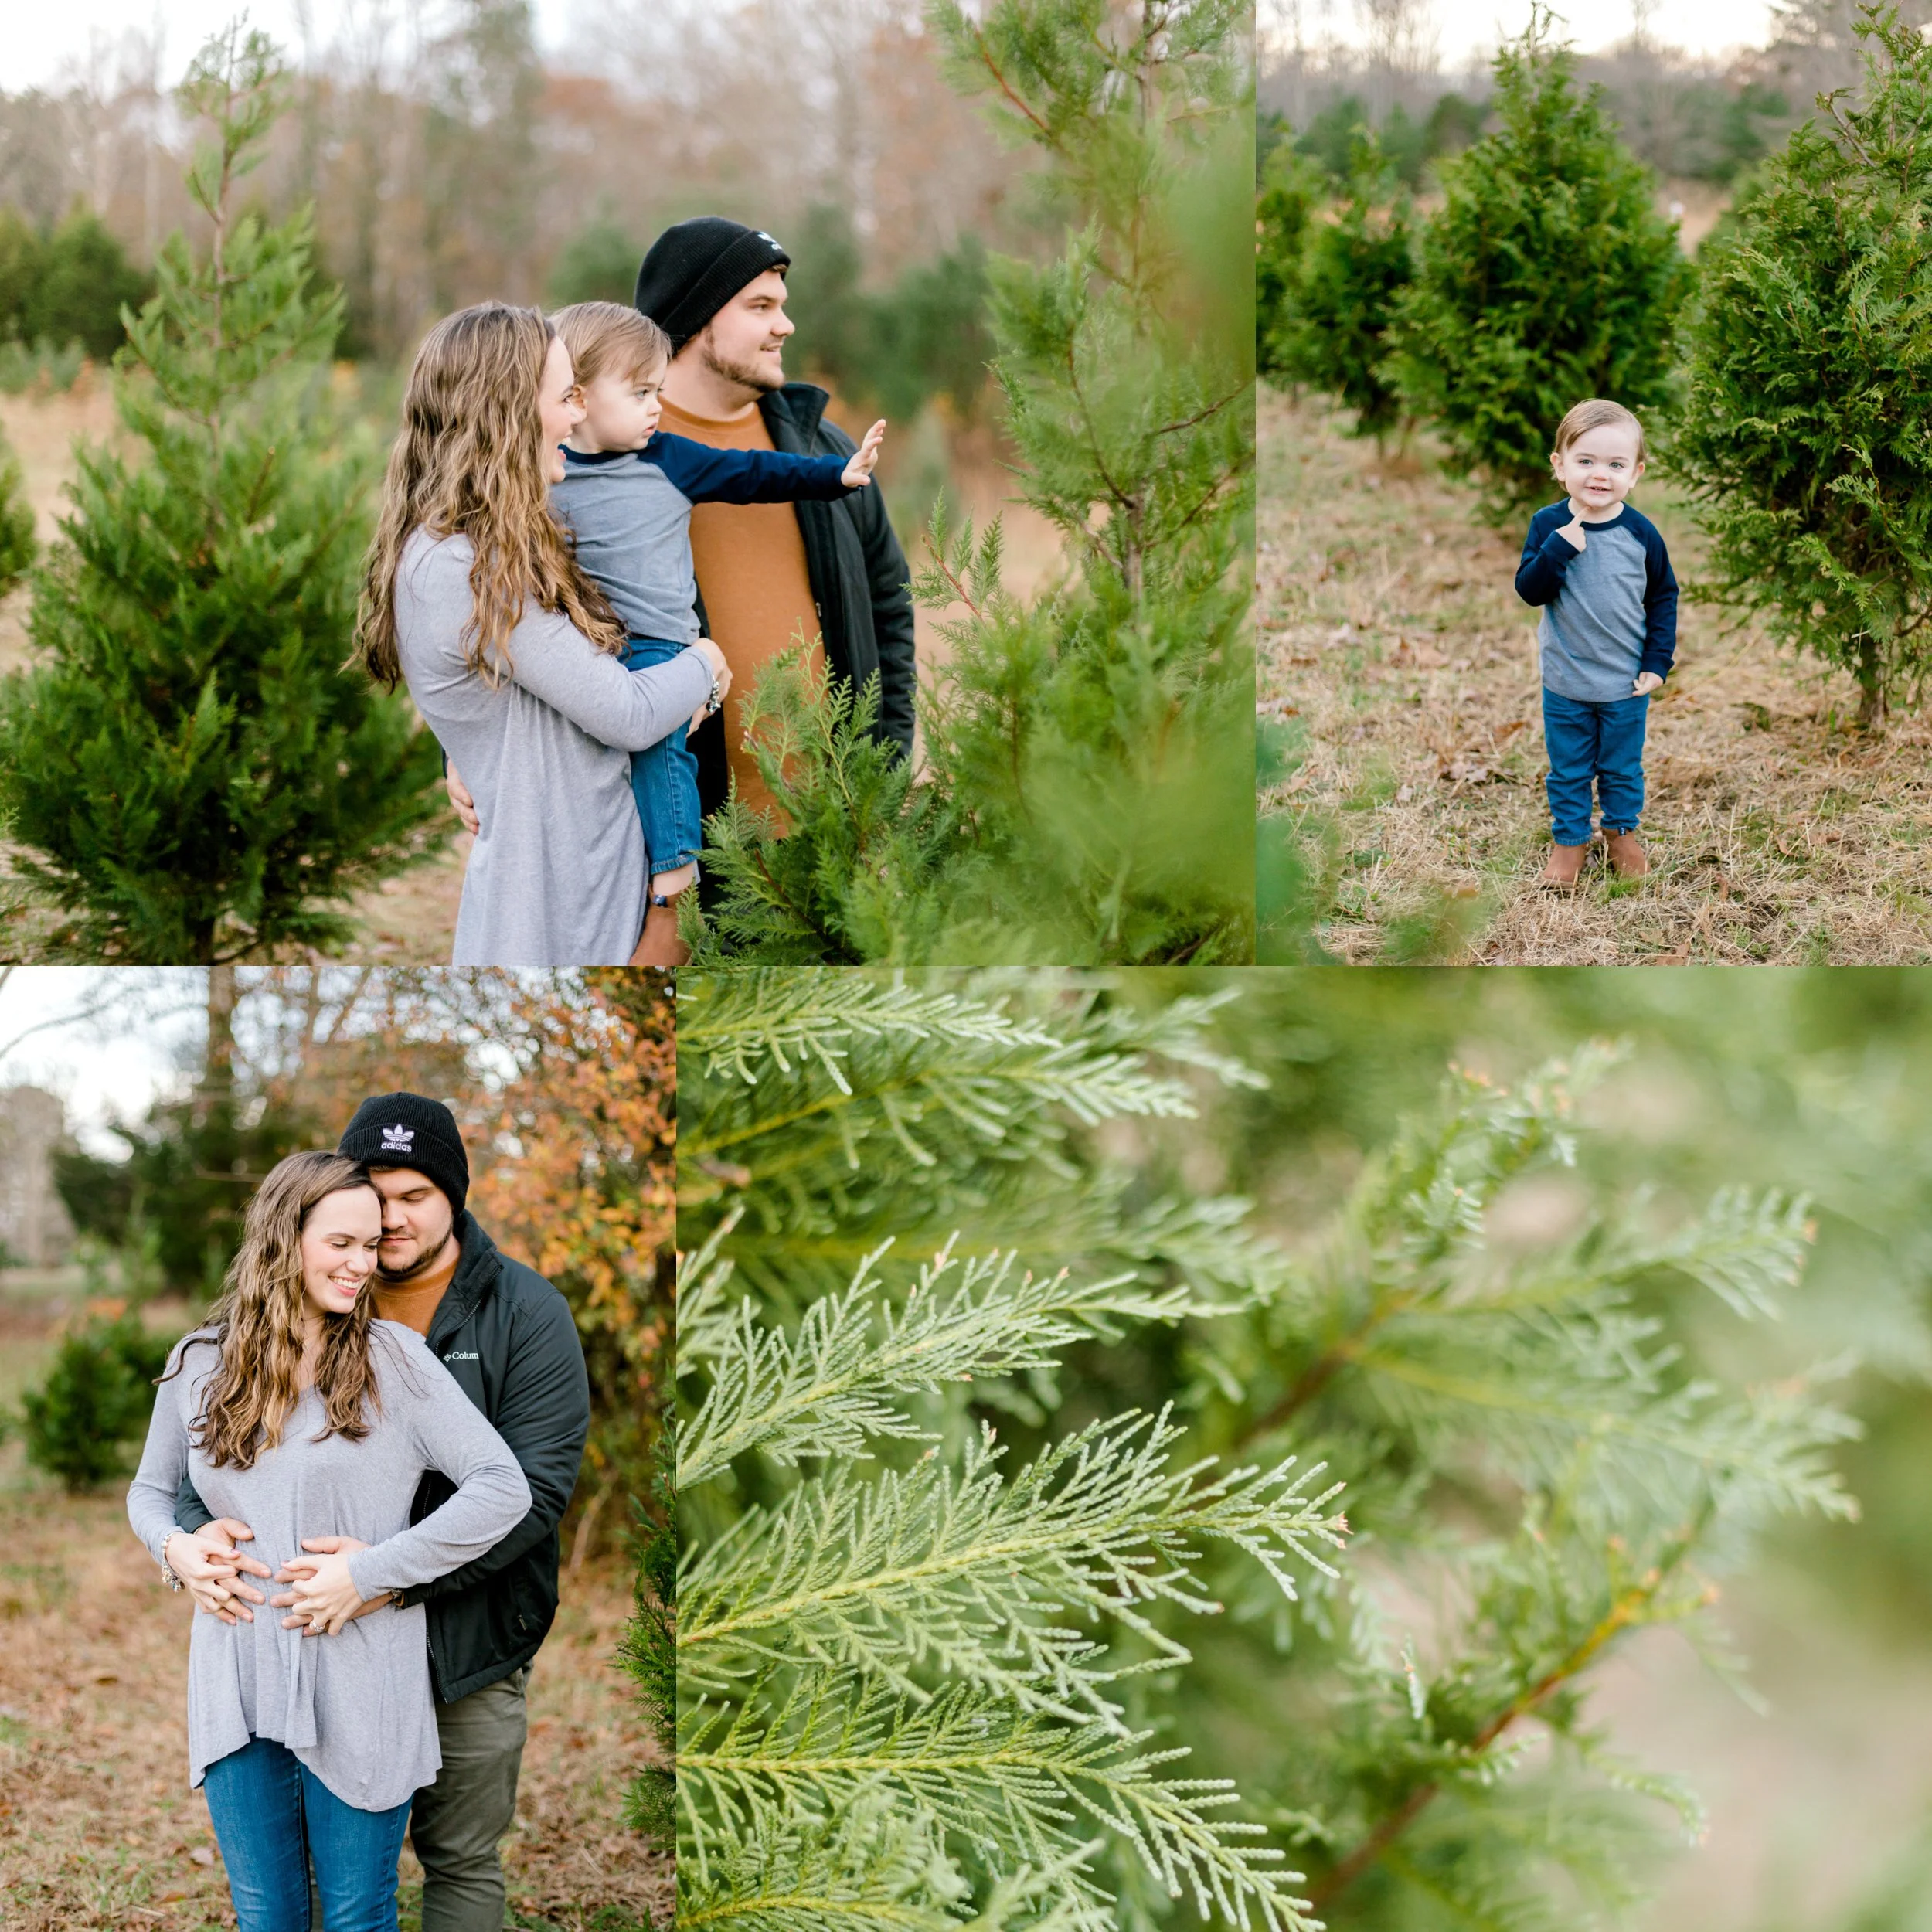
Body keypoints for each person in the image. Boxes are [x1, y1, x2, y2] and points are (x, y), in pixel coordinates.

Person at [162, 1093, 593, 1932]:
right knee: (313, 1874)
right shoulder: (300, 1309)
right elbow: (220, 1455)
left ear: (454, 1196)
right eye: (373, 1197)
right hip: (314, 1639)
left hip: (470, 1630)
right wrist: (190, 1533)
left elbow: (530, 1492)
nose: (389, 1223)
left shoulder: (523, 1312)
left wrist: (381, 1580)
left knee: (457, 1857)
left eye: (415, 1196)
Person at [449, 220, 917, 860]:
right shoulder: (574, 457)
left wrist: (883, 782)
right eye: (761, 307)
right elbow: (489, 605)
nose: (786, 326)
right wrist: (461, 746)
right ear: (696, 320)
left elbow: (890, 610)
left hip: (829, 836)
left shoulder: (823, 450)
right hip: (665, 846)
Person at [351, 301, 731, 965]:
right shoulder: (456, 566)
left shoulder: (503, 548)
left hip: (599, 900)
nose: (581, 416)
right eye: (566, 397)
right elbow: (629, 712)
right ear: (507, 413)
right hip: (558, 922)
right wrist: (705, 662)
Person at [546, 298, 887, 961]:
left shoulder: (669, 458)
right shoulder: (548, 475)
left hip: (659, 646)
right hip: (582, 647)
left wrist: (835, 475)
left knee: (658, 746)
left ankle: (674, 878)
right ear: (578, 399)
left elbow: (754, 474)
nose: (655, 407)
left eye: (659, 391)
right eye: (641, 392)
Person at [1514, 398, 1679, 891]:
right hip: (1566, 681)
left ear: (1636, 473)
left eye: (1615, 464)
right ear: (1559, 466)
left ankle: (1621, 833)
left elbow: (1663, 596)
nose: (1599, 475)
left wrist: (1657, 661)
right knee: (1568, 769)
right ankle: (1570, 842)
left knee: (1621, 767)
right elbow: (1530, 590)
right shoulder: (1548, 525)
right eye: (1585, 461)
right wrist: (1560, 546)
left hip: (1624, 682)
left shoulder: (1640, 533)